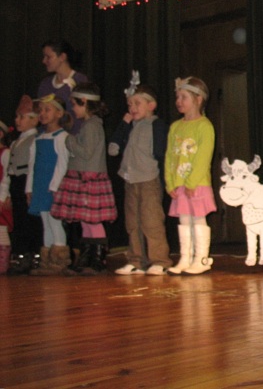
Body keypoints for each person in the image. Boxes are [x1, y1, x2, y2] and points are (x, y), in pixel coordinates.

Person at [51, 83, 118, 275]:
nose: (73, 108)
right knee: (86, 220)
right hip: (82, 176)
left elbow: (86, 152)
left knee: (92, 220)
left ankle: (98, 257)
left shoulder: (92, 125)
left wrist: (68, 140)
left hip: (89, 177)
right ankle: (88, 255)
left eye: (74, 104)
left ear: (84, 102)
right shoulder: (88, 125)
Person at [108, 73, 171, 276]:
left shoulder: (157, 126)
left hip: (149, 179)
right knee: (132, 223)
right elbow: (113, 149)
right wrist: (123, 124)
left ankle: (159, 260)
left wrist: (166, 180)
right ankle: (136, 260)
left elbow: (163, 153)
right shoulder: (129, 127)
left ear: (151, 105)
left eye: (137, 103)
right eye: (129, 104)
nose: (132, 108)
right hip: (130, 180)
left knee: (151, 221)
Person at [165, 76, 216, 275]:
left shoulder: (205, 126)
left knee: (198, 219)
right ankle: (185, 258)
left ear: (198, 99)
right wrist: (170, 183)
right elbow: (170, 157)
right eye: (177, 97)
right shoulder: (175, 127)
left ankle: (201, 258)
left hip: (197, 184)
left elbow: (203, 158)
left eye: (183, 97)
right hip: (179, 185)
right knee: (184, 221)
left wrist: (192, 182)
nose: (178, 101)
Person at [25, 94, 70, 275]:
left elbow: (62, 164)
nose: (42, 114)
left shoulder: (62, 137)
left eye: (47, 110)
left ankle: (59, 260)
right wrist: (29, 188)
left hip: (53, 187)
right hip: (40, 186)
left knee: (55, 221)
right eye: (41, 110)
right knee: (45, 222)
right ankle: (47, 260)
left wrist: (55, 186)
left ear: (59, 113)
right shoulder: (38, 138)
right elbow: (32, 165)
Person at [0, 96, 43, 275]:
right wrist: (6, 193)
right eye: (17, 117)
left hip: (27, 182)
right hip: (16, 184)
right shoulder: (16, 142)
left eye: (22, 117)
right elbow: (8, 171)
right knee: (19, 221)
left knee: (30, 221)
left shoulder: (35, 139)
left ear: (34, 119)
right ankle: (21, 255)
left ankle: (33, 255)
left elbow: (33, 166)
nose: (17, 120)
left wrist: (29, 188)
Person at [38, 40, 89, 134]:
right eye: (44, 57)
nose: (44, 61)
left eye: (48, 57)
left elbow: (85, 115)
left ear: (62, 57)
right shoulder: (45, 84)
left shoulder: (80, 81)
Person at [0, 121, 11, 273]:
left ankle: (2, 262)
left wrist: (2, 197)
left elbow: (6, 177)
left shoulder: (5, 153)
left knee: (1, 227)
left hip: (1, 196)